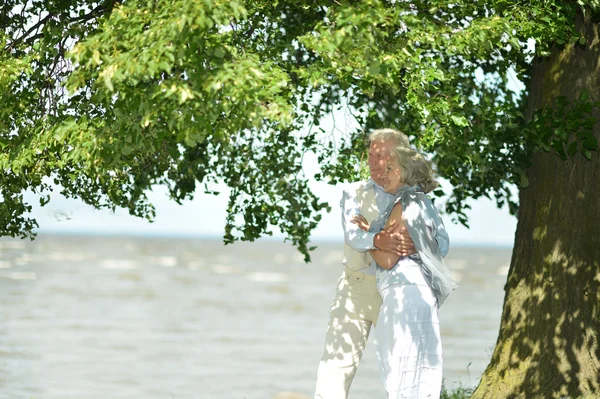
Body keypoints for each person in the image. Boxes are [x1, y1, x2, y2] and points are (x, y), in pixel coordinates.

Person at [313, 129, 449, 399]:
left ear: (399, 159)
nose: (376, 162)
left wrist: (417, 245)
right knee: (336, 365)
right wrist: (378, 239)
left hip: (397, 292)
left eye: (384, 156)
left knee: (398, 364)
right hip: (356, 289)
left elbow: (442, 242)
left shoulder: (415, 197)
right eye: (371, 155)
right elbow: (354, 236)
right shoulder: (353, 192)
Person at [353, 146, 456, 399]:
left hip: (403, 295)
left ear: (406, 173)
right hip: (420, 294)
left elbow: (388, 259)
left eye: (390, 168)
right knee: (420, 372)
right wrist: (378, 234)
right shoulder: (423, 204)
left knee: (399, 371)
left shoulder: (404, 204)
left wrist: (370, 238)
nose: (383, 174)